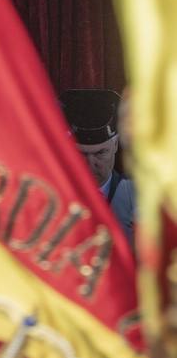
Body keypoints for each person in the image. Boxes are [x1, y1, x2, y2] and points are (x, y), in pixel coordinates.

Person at [61, 88, 135, 245]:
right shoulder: (52, 195)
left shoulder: (139, 198)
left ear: (115, 145)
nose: (90, 164)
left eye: (100, 153)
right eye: (81, 154)